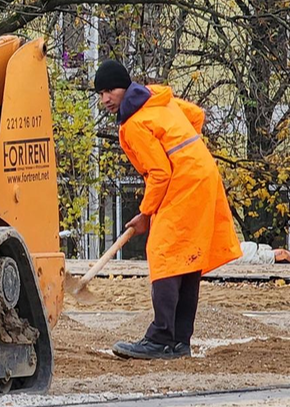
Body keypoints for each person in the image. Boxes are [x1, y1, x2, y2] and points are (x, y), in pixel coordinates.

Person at [94, 60, 241, 359]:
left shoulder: (135, 123)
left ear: (124, 88)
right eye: (100, 93)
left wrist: (146, 213)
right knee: (188, 258)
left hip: (184, 182)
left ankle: (161, 337)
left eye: (109, 90)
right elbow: (196, 116)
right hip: (202, 176)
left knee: (163, 253)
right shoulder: (158, 100)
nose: (105, 99)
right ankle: (179, 341)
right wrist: (187, 152)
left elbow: (160, 173)